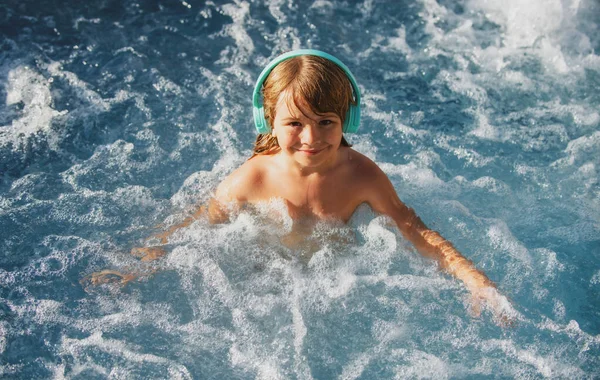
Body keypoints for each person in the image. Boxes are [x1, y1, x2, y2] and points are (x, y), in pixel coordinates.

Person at [86, 50, 514, 324]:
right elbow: (197, 224)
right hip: (264, 278)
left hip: (340, 277)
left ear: (348, 121)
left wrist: (475, 280)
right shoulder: (253, 178)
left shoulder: (361, 175)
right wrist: (139, 263)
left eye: (326, 122)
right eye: (295, 124)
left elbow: (413, 228)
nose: (311, 138)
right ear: (267, 123)